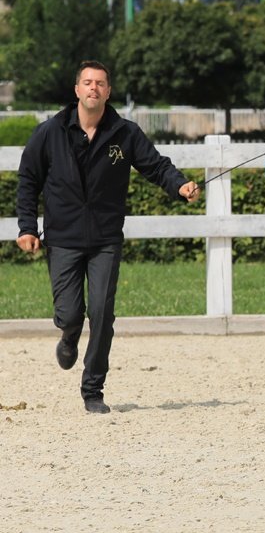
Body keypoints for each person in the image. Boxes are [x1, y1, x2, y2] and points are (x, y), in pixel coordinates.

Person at [14, 60, 201, 414]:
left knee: (101, 312)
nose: (93, 89)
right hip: (63, 237)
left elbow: (156, 166)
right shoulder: (49, 132)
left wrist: (180, 186)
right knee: (70, 314)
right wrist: (26, 227)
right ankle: (68, 336)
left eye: (100, 83)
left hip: (105, 239)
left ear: (108, 91)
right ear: (77, 90)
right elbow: (28, 181)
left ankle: (92, 389)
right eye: (87, 83)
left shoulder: (125, 132)